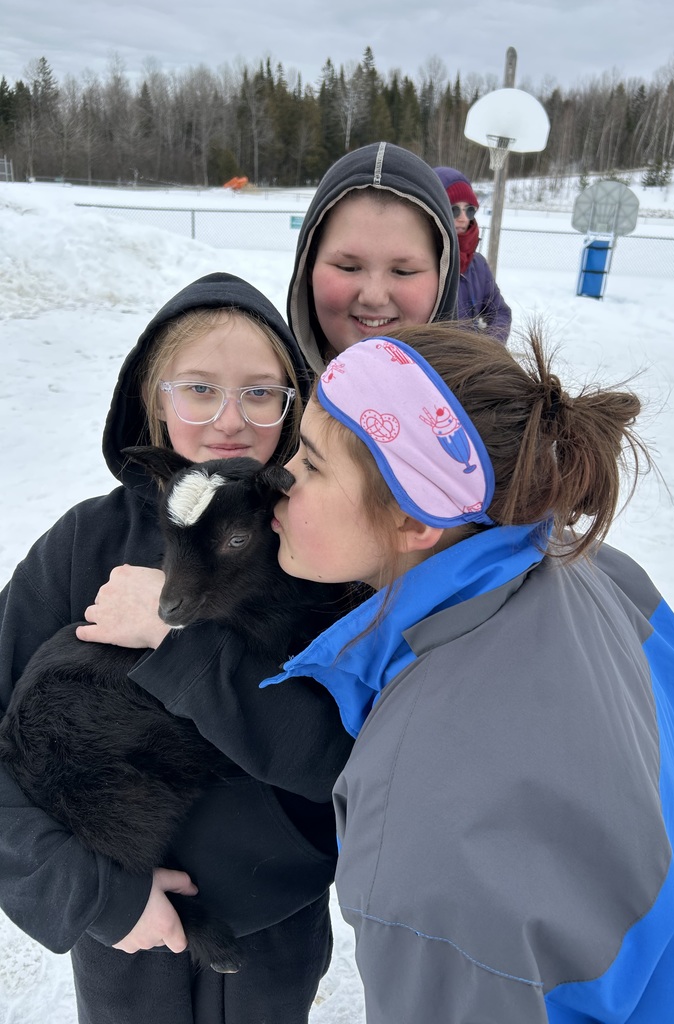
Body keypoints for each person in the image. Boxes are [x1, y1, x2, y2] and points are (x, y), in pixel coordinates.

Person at [265, 324, 674, 1023]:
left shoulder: (426, 809)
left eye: (312, 463)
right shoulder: (599, 578)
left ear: (417, 520)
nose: (278, 474)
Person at [0, 272, 354, 1024]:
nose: (230, 420)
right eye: (198, 388)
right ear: (154, 399)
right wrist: (92, 892)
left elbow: (341, 755)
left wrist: (173, 642)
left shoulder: (327, 555)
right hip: (122, 930)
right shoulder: (82, 546)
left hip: (277, 923)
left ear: (297, 407)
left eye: (261, 393)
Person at [287, 141, 460, 374]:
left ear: (443, 277)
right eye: (348, 267)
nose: (374, 297)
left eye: (403, 272)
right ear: (309, 267)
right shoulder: (260, 400)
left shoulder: (482, 409)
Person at [433, 165, 512, 343]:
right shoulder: (419, 264)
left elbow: (500, 312)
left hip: (468, 364)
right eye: (454, 209)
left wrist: (489, 348)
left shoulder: (477, 265)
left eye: (469, 210)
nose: (463, 218)